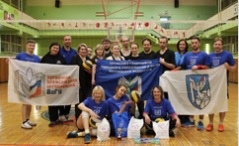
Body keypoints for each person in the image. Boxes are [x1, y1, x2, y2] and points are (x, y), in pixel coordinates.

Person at [180, 36, 211, 130]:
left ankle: (201, 121)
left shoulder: (204, 55)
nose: (194, 44)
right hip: (190, 81)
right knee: (191, 100)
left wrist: (199, 67)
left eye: (195, 42)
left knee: (201, 100)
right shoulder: (187, 55)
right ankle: (191, 120)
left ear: (199, 43)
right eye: (192, 43)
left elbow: (209, 67)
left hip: (202, 81)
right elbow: (182, 67)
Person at [206, 37, 236, 132]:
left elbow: (234, 68)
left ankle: (221, 123)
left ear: (222, 45)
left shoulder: (227, 55)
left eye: (219, 44)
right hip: (212, 84)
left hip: (223, 84)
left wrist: (229, 68)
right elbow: (207, 68)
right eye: (216, 44)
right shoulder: (210, 56)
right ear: (213, 45)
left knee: (222, 103)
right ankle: (210, 123)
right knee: (210, 103)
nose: (217, 46)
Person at [15, 40, 40, 129]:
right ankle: (24, 121)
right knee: (25, 102)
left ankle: (28, 119)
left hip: (32, 82)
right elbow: (14, 64)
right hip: (23, 82)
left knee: (30, 102)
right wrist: (8, 61)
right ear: (26, 46)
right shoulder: (20, 55)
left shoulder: (37, 58)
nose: (31, 47)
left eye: (33, 46)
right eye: (30, 45)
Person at [40, 42, 66, 127]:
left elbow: (67, 69)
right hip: (49, 84)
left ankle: (59, 118)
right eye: (54, 48)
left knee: (59, 102)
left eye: (57, 48)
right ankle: (52, 119)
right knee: (51, 102)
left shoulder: (61, 58)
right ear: (50, 48)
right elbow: (39, 69)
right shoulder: (45, 58)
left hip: (59, 84)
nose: (55, 49)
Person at [71, 43, 92, 121]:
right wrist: (77, 82)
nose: (83, 51)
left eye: (85, 49)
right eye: (81, 49)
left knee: (86, 102)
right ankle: (78, 121)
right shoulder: (74, 58)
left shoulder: (89, 59)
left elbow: (92, 71)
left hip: (87, 84)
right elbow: (73, 72)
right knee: (79, 103)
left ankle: (86, 119)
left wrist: (90, 71)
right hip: (78, 84)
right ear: (78, 50)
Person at [59, 35, 77, 122]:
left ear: (71, 41)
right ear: (63, 41)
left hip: (71, 78)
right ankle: (61, 114)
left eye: (69, 39)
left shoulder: (74, 52)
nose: (67, 41)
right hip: (61, 78)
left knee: (70, 96)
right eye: (66, 39)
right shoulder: (59, 51)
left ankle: (67, 114)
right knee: (61, 96)